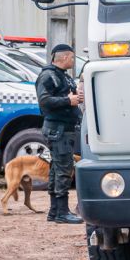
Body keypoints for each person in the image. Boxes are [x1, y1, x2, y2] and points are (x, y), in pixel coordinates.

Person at [35, 44, 84, 224]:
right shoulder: (48, 76)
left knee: (57, 169)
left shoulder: (63, 76)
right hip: (58, 130)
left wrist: (77, 97)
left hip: (65, 129)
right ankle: (62, 212)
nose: (73, 61)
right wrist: (68, 101)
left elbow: (68, 96)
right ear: (63, 57)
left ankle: (54, 211)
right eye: (71, 57)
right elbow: (44, 101)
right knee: (64, 170)